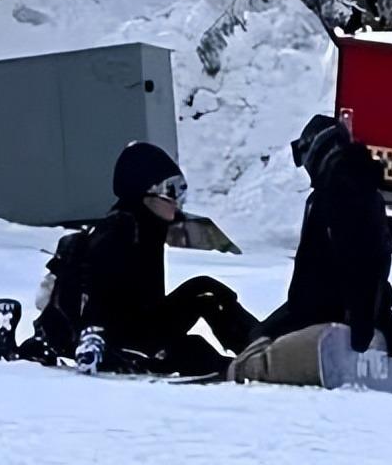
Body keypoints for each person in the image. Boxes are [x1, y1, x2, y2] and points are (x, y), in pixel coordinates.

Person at [69, 141, 259, 376]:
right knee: (192, 350)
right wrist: (95, 338)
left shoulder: (147, 224)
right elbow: (96, 287)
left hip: (143, 325)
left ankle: (261, 347)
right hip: (124, 341)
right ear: (143, 191)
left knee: (206, 291)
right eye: (170, 190)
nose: (177, 200)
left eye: (181, 189)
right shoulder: (121, 229)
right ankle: (256, 363)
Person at [254, 115, 392, 359]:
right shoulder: (351, 186)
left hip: (322, 313)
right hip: (322, 308)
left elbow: (362, 260)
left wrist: (362, 321)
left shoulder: (342, 190)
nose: (305, 167)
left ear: (318, 149)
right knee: (258, 337)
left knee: (256, 345)